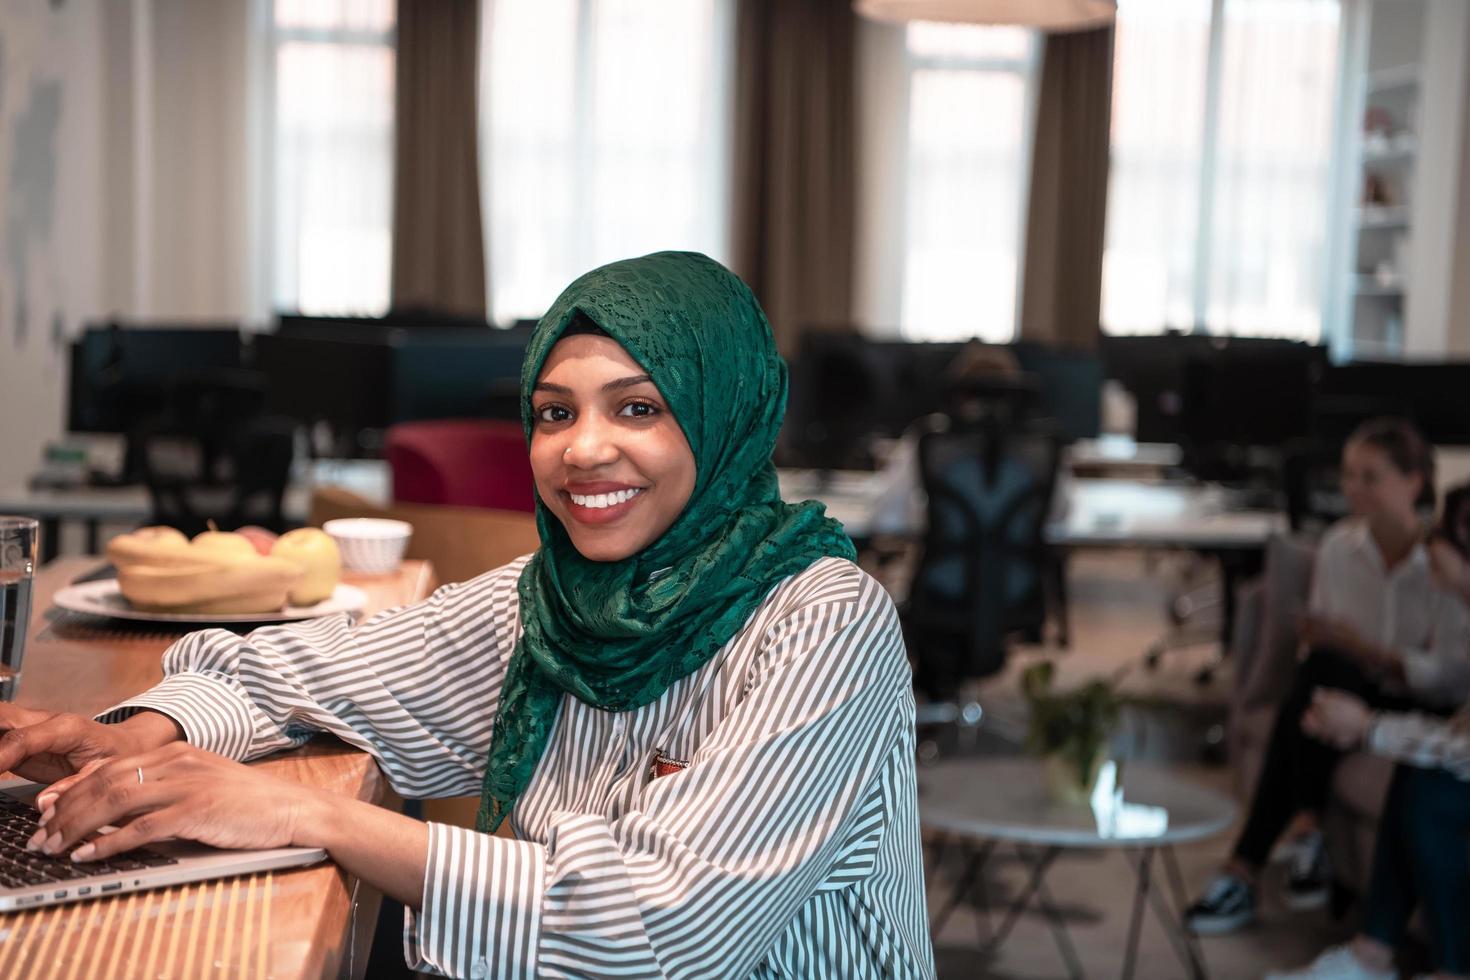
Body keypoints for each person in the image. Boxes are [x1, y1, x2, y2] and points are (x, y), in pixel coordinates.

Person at [0, 252, 936, 979]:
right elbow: (287, 671)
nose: (583, 450)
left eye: (638, 408)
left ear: (724, 416)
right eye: (554, 412)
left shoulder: (823, 620)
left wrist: (306, 814)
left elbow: (662, 934)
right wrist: (126, 737)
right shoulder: (551, 601)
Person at [1186, 419, 1470, 935]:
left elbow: (1448, 678)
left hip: (1419, 701)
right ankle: (1300, 835)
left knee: (1321, 690)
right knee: (1320, 679)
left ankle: (1250, 865)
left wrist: (1367, 652)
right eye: (1347, 476)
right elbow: (1323, 643)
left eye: (1370, 477)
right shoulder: (1341, 546)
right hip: (1347, 686)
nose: (1351, 490)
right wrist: (1348, 651)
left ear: (1414, 482)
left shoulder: (1445, 564)